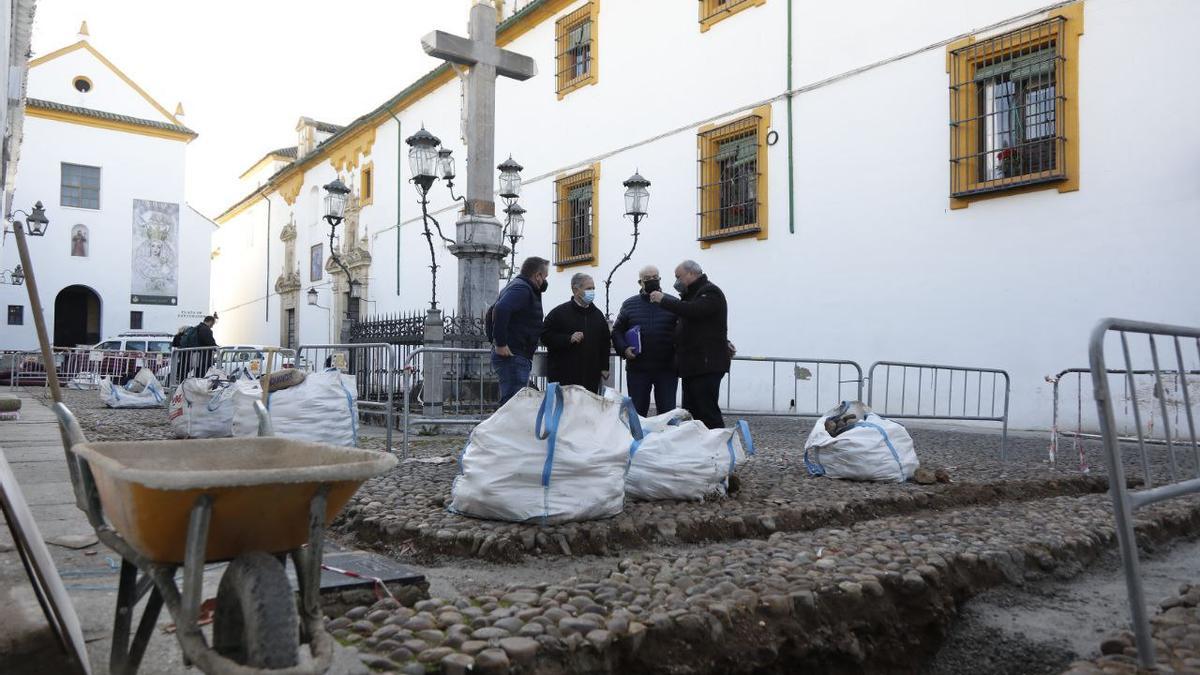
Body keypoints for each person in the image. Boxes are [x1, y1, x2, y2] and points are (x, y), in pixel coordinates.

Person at [649, 260, 729, 429]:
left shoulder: (710, 292)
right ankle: (698, 448)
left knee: (707, 412)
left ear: (692, 274)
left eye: (679, 277)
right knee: (692, 413)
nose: (676, 281)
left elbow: (695, 311)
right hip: (692, 366)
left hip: (706, 365)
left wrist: (664, 300)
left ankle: (718, 447)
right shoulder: (691, 295)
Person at [612, 265, 679, 417]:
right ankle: (636, 440)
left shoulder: (672, 302)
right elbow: (617, 331)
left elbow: (685, 329)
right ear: (640, 282)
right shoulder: (629, 304)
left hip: (666, 369)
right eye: (647, 279)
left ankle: (665, 440)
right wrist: (624, 349)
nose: (652, 281)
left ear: (660, 279)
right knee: (637, 413)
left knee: (667, 414)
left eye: (655, 277)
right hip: (638, 369)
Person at [491, 256, 550, 405]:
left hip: (517, 354)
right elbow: (501, 309)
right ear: (538, 276)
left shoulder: (518, 286)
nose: (546, 282)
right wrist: (501, 343)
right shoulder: (522, 289)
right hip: (514, 355)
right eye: (545, 277)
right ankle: (503, 429)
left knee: (511, 404)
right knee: (512, 405)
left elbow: (492, 311)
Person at [541, 273, 611, 393]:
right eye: (588, 288)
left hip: (590, 378)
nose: (592, 292)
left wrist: (605, 367)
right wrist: (568, 339)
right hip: (564, 377)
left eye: (593, 288)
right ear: (575, 289)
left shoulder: (598, 315)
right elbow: (545, 336)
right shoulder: (558, 313)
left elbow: (605, 343)